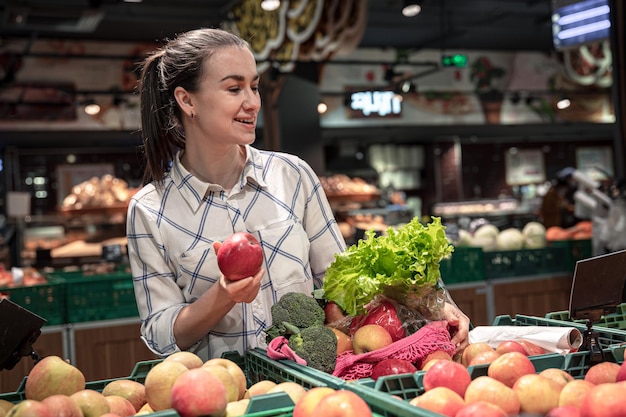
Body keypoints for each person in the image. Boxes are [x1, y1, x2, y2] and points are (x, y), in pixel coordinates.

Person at [126, 27, 470, 362]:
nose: (252, 103)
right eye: (234, 89)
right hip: (225, 393)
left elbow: (342, 283)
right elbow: (161, 336)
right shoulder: (150, 210)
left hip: (309, 384)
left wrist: (434, 307)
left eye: (254, 87)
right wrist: (223, 296)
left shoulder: (292, 176)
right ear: (187, 100)